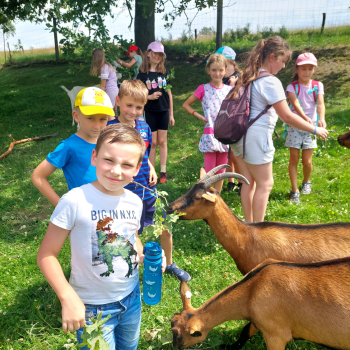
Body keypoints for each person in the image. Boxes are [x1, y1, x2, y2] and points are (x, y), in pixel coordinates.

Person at [37, 123, 166, 349]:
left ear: (138, 168)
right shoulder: (74, 201)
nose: (116, 171)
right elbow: (46, 254)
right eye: (109, 160)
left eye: (127, 165)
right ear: (94, 156)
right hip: (91, 309)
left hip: (132, 299)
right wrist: (67, 296)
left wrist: (146, 254)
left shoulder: (135, 202)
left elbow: (132, 237)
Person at [229, 36, 328, 223]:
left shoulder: (248, 75)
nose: (283, 67)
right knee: (265, 184)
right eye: (283, 61)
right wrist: (314, 129)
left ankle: (248, 227)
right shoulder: (270, 82)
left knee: (248, 183)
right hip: (256, 139)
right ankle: (257, 232)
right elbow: (287, 116)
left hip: (238, 136)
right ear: (272, 57)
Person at [108, 79, 191, 282]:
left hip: (149, 188)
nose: (133, 111)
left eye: (139, 107)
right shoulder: (110, 128)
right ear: (118, 101)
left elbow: (143, 154)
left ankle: (169, 263)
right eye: (129, 105)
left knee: (165, 223)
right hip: (126, 191)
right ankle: (135, 267)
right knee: (132, 232)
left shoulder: (144, 126)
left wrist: (152, 167)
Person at [31, 87, 113, 207]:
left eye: (102, 119)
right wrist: (61, 206)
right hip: (84, 211)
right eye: (90, 118)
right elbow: (38, 176)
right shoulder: (68, 146)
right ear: (76, 116)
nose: (97, 125)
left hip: (108, 206)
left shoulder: (106, 141)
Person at [182, 54, 233, 193]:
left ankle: (217, 197)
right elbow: (186, 104)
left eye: (221, 70)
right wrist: (198, 115)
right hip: (210, 135)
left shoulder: (229, 91)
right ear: (208, 70)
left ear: (226, 70)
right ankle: (208, 196)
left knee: (222, 170)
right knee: (210, 172)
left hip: (225, 136)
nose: (217, 73)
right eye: (214, 70)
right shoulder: (203, 89)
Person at [285, 53, 326, 204]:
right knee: (294, 158)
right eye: (303, 68)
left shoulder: (318, 85)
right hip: (295, 125)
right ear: (296, 69)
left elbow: (320, 104)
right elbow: (295, 104)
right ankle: (294, 189)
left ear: (314, 69)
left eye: (310, 68)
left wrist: (321, 119)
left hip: (312, 127)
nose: (306, 72)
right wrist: (304, 118)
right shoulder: (291, 87)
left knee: (307, 161)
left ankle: (306, 182)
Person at [137, 41, 174, 184]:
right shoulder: (142, 75)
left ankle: (163, 172)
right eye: (154, 53)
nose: (157, 56)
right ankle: (151, 171)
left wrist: (171, 114)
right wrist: (149, 97)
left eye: (160, 54)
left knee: (162, 141)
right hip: (150, 112)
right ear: (148, 54)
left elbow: (170, 94)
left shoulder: (165, 73)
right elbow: (138, 96)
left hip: (164, 111)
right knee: (152, 143)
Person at [215, 46, 243, 194]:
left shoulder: (240, 76)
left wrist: (233, 86)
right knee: (227, 154)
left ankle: (241, 182)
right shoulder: (223, 77)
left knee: (235, 154)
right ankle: (230, 181)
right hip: (223, 119)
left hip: (235, 120)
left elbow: (240, 98)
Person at [90, 48, 119, 119]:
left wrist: (98, 95)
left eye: (93, 57)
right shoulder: (107, 66)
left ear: (95, 57)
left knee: (108, 113)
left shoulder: (104, 68)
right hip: (114, 90)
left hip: (110, 91)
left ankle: (113, 128)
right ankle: (113, 126)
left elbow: (103, 85)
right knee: (111, 112)